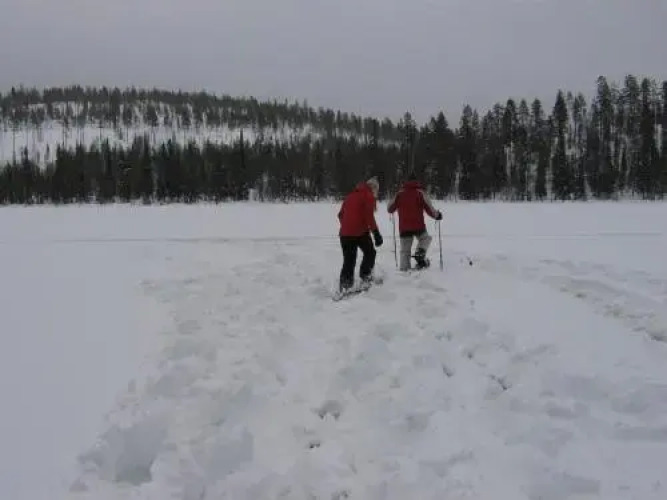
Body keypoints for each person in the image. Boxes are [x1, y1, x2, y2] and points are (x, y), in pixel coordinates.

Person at [387, 172, 442, 271]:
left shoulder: (400, 194)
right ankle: (420, 252)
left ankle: (404, 270)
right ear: (416, 181)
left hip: (404, 227)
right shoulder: (420, 193)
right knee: (426, 238)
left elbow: (390, 208)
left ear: (406, 181)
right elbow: (429, 208)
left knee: (405, 251)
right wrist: (437, 215)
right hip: (418, 225)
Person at [337, 176, 383, 292]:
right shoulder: (368, 196)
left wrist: (347, 225)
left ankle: (345, 285)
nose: (376, 193)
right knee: (370, 253)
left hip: (345, 234)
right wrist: (376, 233)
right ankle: (365, 277)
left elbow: (340, 215)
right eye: (376, 190)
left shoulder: (350, 196)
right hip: (360, 232)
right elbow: (369, 216)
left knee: (349, 259)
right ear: (373, 188)